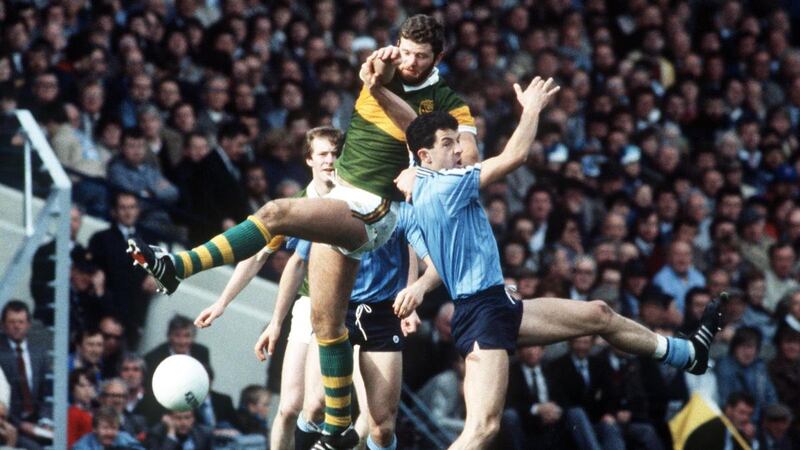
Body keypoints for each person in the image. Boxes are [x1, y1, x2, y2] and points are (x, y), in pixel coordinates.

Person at [129, 14, 477, 449]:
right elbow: (284, 258)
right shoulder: (385, 67)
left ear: (438, 58)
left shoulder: (447, 102)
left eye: (420, 56)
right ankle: (337, 430)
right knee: (326, 325)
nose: (409, 62)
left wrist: (380, 93)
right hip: (340, 202)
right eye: (405, 51)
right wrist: (375, 73)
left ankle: (179, 267)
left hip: (374, 208)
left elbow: (466, 155)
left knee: (275, 211)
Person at [400, 78, 724, 448]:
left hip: (496, 304)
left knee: (599, 314)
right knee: (482, 429)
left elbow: (416, 140)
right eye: (448, 144)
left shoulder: (421, 187)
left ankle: (687, 354)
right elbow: (515, 156)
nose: (458, 149)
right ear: (425, 156)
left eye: (456, 141)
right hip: (481, 313)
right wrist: (532, 109)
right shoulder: (445, 185)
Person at [0, 301, 51, 446]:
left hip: (37, 422)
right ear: (3, 325)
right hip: (8, 424)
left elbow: (46, 391)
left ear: (28, 324)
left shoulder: (39, 352)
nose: (17, 326)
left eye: (21, 322)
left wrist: (45, 420)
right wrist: (20, 424)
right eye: (12, 322)